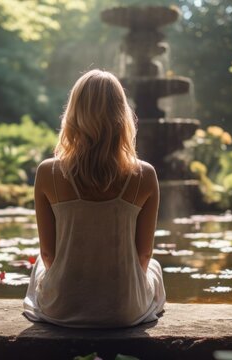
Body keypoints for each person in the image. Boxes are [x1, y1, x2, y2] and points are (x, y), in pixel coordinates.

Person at [23, 69, 166, 328]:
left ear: (74, 113)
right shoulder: (144, 174)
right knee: (154, 266)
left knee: (38, 268)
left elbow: (48, 254)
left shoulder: (48, 172)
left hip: (62, 308)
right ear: (121, 116)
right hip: (124, 311)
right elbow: (143, 255)